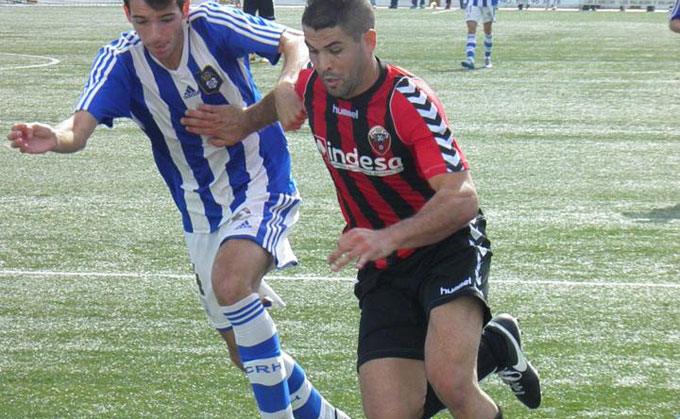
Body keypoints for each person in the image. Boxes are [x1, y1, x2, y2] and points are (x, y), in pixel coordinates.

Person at [180, 0, 542, 417]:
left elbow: (462, 197)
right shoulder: (312, 87)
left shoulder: (406, 100)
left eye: (335, 50)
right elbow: (277, 104)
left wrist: (389, 236)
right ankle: (495, 348)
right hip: (384, 268)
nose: (323, 64)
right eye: (314, 52)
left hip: (447, 249)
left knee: (451, 382)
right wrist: (243, 120)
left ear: (368, 41)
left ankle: (488, 352)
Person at [6, 0, 349, 418]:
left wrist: (287, 82)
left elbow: (292, 41)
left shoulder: (211, 23)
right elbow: (77, 129)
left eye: (166, 19)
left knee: (231, 280)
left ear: (184, 8)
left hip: (261, 180)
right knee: (246, 354)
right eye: (142, 22)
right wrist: (54, 136)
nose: (155, 36)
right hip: (200, 212)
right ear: (127, 16)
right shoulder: (121, 62)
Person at [461, 0, 498, 70]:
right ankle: (470, 59)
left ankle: (487, 58)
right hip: (472, 2)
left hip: (488, 3)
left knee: (487, 30)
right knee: (471, 27)